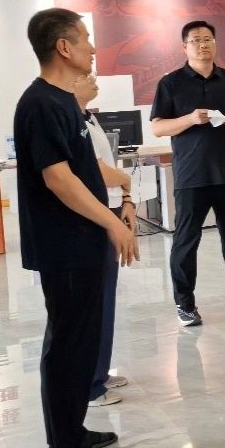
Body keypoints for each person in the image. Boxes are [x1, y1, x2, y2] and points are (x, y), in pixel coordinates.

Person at [13, 8, 138, 448]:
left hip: (81, 241)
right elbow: (59, 179)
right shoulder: (41, 103)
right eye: (85, 39)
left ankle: (72, 430)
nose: (92, 48)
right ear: (63, 47)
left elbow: (84, 170)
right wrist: (112, 223)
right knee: (68, 342)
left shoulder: (64, 103)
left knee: (81, 340)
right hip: (64, 244)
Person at [150, 20, 225, 326]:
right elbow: (158, 127)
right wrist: (189, 119)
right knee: (186, 240)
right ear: (184, 46)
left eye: (208, 39)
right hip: (192, 175)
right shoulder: (171, 83)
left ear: (215, 43)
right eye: (196, 40)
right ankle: (185, 304)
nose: (203, 45)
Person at [73, 74, 135, 408]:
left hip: (109, 205)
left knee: (107, 297)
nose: (93, 79)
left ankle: (99, 372)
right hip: (95, 212)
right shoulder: (72, 121)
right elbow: (96, 171)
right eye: (85, 75)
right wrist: (126, 180)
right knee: (96, 299)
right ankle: (90, 385)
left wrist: (126, 196)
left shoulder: (89, 117)